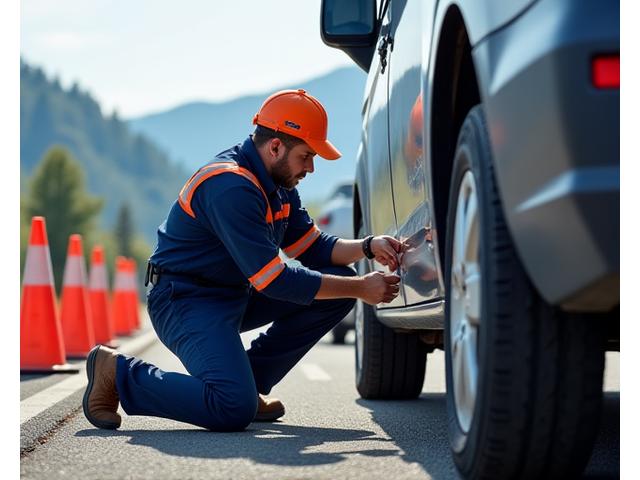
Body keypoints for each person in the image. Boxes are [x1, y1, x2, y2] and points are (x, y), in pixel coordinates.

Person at [82, 89, 404, 432]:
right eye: (306, 156)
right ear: (276, 147)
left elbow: (313, 249)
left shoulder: (279, 185)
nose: (311, 167)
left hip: (233, 294)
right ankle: (117, 374)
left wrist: (369, 246)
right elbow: (275, 281)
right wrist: (360, 288)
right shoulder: (230, 185)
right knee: (230, 408)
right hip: (185, 300)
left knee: (337, 282)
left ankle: (248, 384)